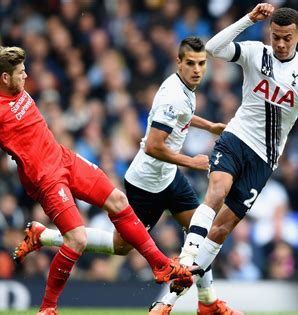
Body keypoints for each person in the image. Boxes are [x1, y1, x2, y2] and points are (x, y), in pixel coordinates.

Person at [0, 46, 193, 315]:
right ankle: (47, 308)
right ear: (4, 77)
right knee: (77, 239)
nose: (26, 76)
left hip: (62, 157)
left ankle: (160, 265)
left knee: (118, 200)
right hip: (45, 178)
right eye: (21, 73)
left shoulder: (9, 84)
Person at [13, 37, 236, 315]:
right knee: (120, 247)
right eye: (190, 63)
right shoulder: (173, 95)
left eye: (202, 64)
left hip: (169, 177)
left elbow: (182, 117)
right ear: (178, 62)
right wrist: (191, 161)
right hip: (146, 183)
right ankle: (44, 235)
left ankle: (208, 302)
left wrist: (210, 125)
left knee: (200, 233)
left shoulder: (185, 89)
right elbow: (154, 146)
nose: (197, 69)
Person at [166, 3, 298, 312]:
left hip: (265, 159)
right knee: (216, 191)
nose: (281, 43)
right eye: (276, 36)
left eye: (287, 37)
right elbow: (213, 48)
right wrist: (248, 19)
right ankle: (185, 262)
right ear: (269, 33)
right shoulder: (255, 52)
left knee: (221, 229)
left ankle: (188, 302)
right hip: (236, 137)